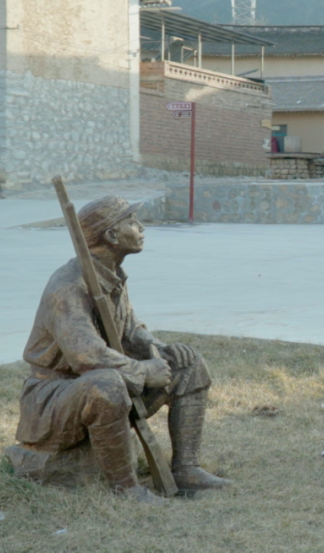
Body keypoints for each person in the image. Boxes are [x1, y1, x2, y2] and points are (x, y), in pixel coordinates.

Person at [13, 196, 231, 502]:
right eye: (132, 221)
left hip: (90, 385)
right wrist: (144, 371)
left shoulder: (110, 273)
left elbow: (130, 330)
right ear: (112, 235)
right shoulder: (67, 286)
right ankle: (126, 489)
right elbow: (86, 356)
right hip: (54, 399)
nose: (141, 227)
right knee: (106, 384)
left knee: (188, 363)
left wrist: (158, 348)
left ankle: (186, 468)